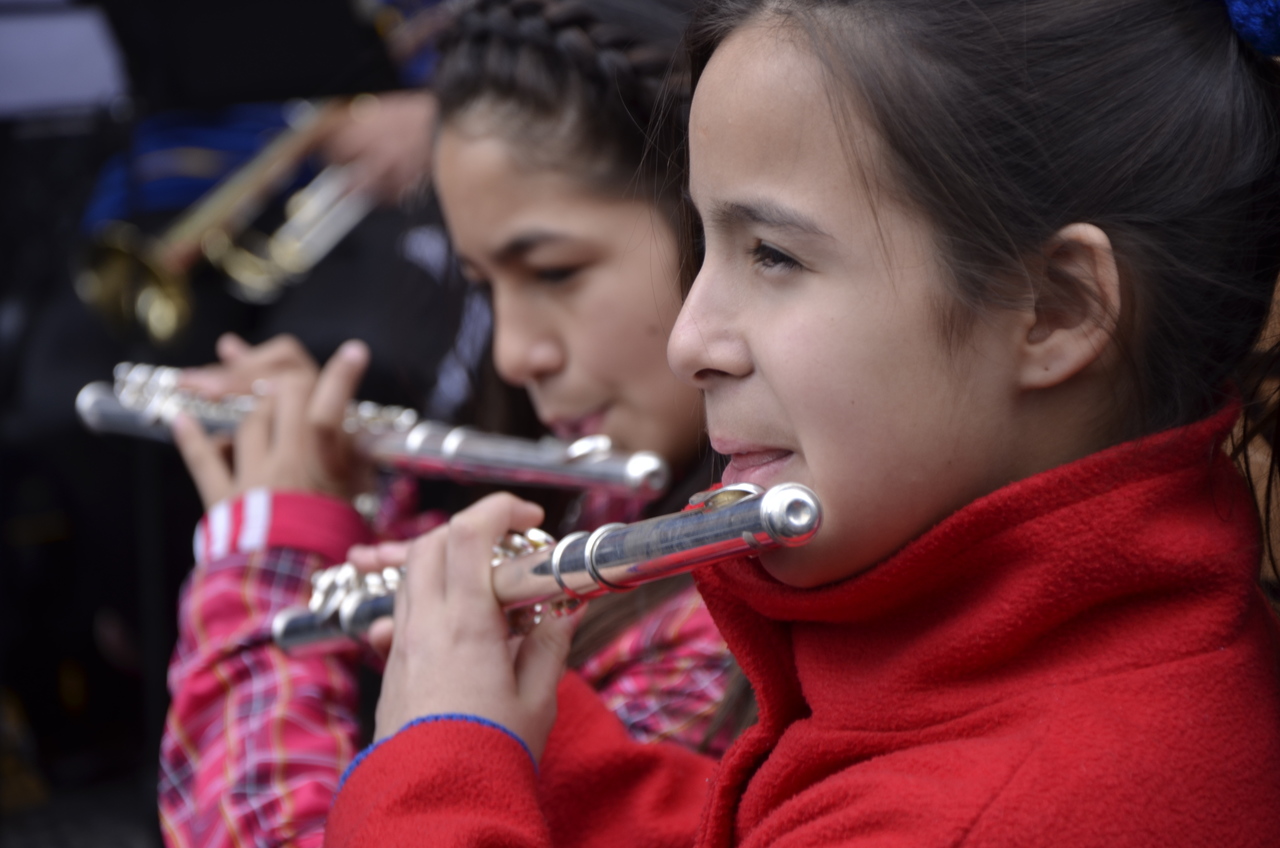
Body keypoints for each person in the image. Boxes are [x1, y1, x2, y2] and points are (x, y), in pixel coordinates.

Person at [325, 0, 1280, 845]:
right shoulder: (1021, 685)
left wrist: (435, 766)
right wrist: (533, 730)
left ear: (1058, 310)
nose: (691, 341)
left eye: (774, 255)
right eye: (705, 245)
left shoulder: (995, 809)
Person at [157, 1, 748, 845]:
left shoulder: (729, 623)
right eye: (484, 286)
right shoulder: (608, 504)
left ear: (710, 230)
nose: (513, 353)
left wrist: (267, 569)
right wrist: (356, 524)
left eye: (554, 271)